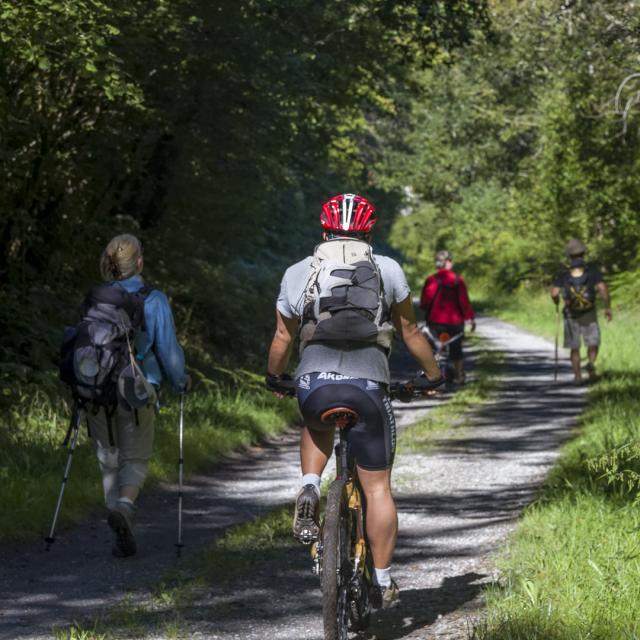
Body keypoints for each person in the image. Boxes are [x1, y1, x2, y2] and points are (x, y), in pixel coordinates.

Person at [265, 193, 442, 609]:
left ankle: (310, 486)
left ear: (323, 228)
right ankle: (381, 582)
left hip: (314, 381)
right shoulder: (388, 269)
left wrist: (275, 376)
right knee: (377, 487)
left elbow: (283, 337)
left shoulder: (296, 272)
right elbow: (411, 333)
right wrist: (433, 376)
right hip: (368, 384)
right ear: (369, 230)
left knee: (317, 423)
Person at [90, 234, 190, 557]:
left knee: (108, 455)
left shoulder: (97, 298)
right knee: (135, 458)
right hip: (135, 390)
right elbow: (169, 353)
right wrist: (181, 381)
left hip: (95, 389)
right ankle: (124, 507)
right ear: (140, 263)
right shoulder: (153, 299)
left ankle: (116, 512)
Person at [550, 238, 612, 385]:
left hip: (571, 313)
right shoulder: (592, 269)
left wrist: (556, 302)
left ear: (569, 255)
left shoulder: (564, 272)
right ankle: (590, 364)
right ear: (583, 252)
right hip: (589, 312)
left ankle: (577, 377)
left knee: (574, 346)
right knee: (593, 342)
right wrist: (607, 307)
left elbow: (554, 293)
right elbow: (602, 288)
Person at [419, 250, 475, 384]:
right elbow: (464, 302)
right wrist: (470, 319)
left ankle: (434, 380)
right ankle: (460, 377)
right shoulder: (457, 279)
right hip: (455, 322)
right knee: (456, 349)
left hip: (435, 322)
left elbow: (424, 303)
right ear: (448, 262)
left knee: (435, 350)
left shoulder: (432, 280)